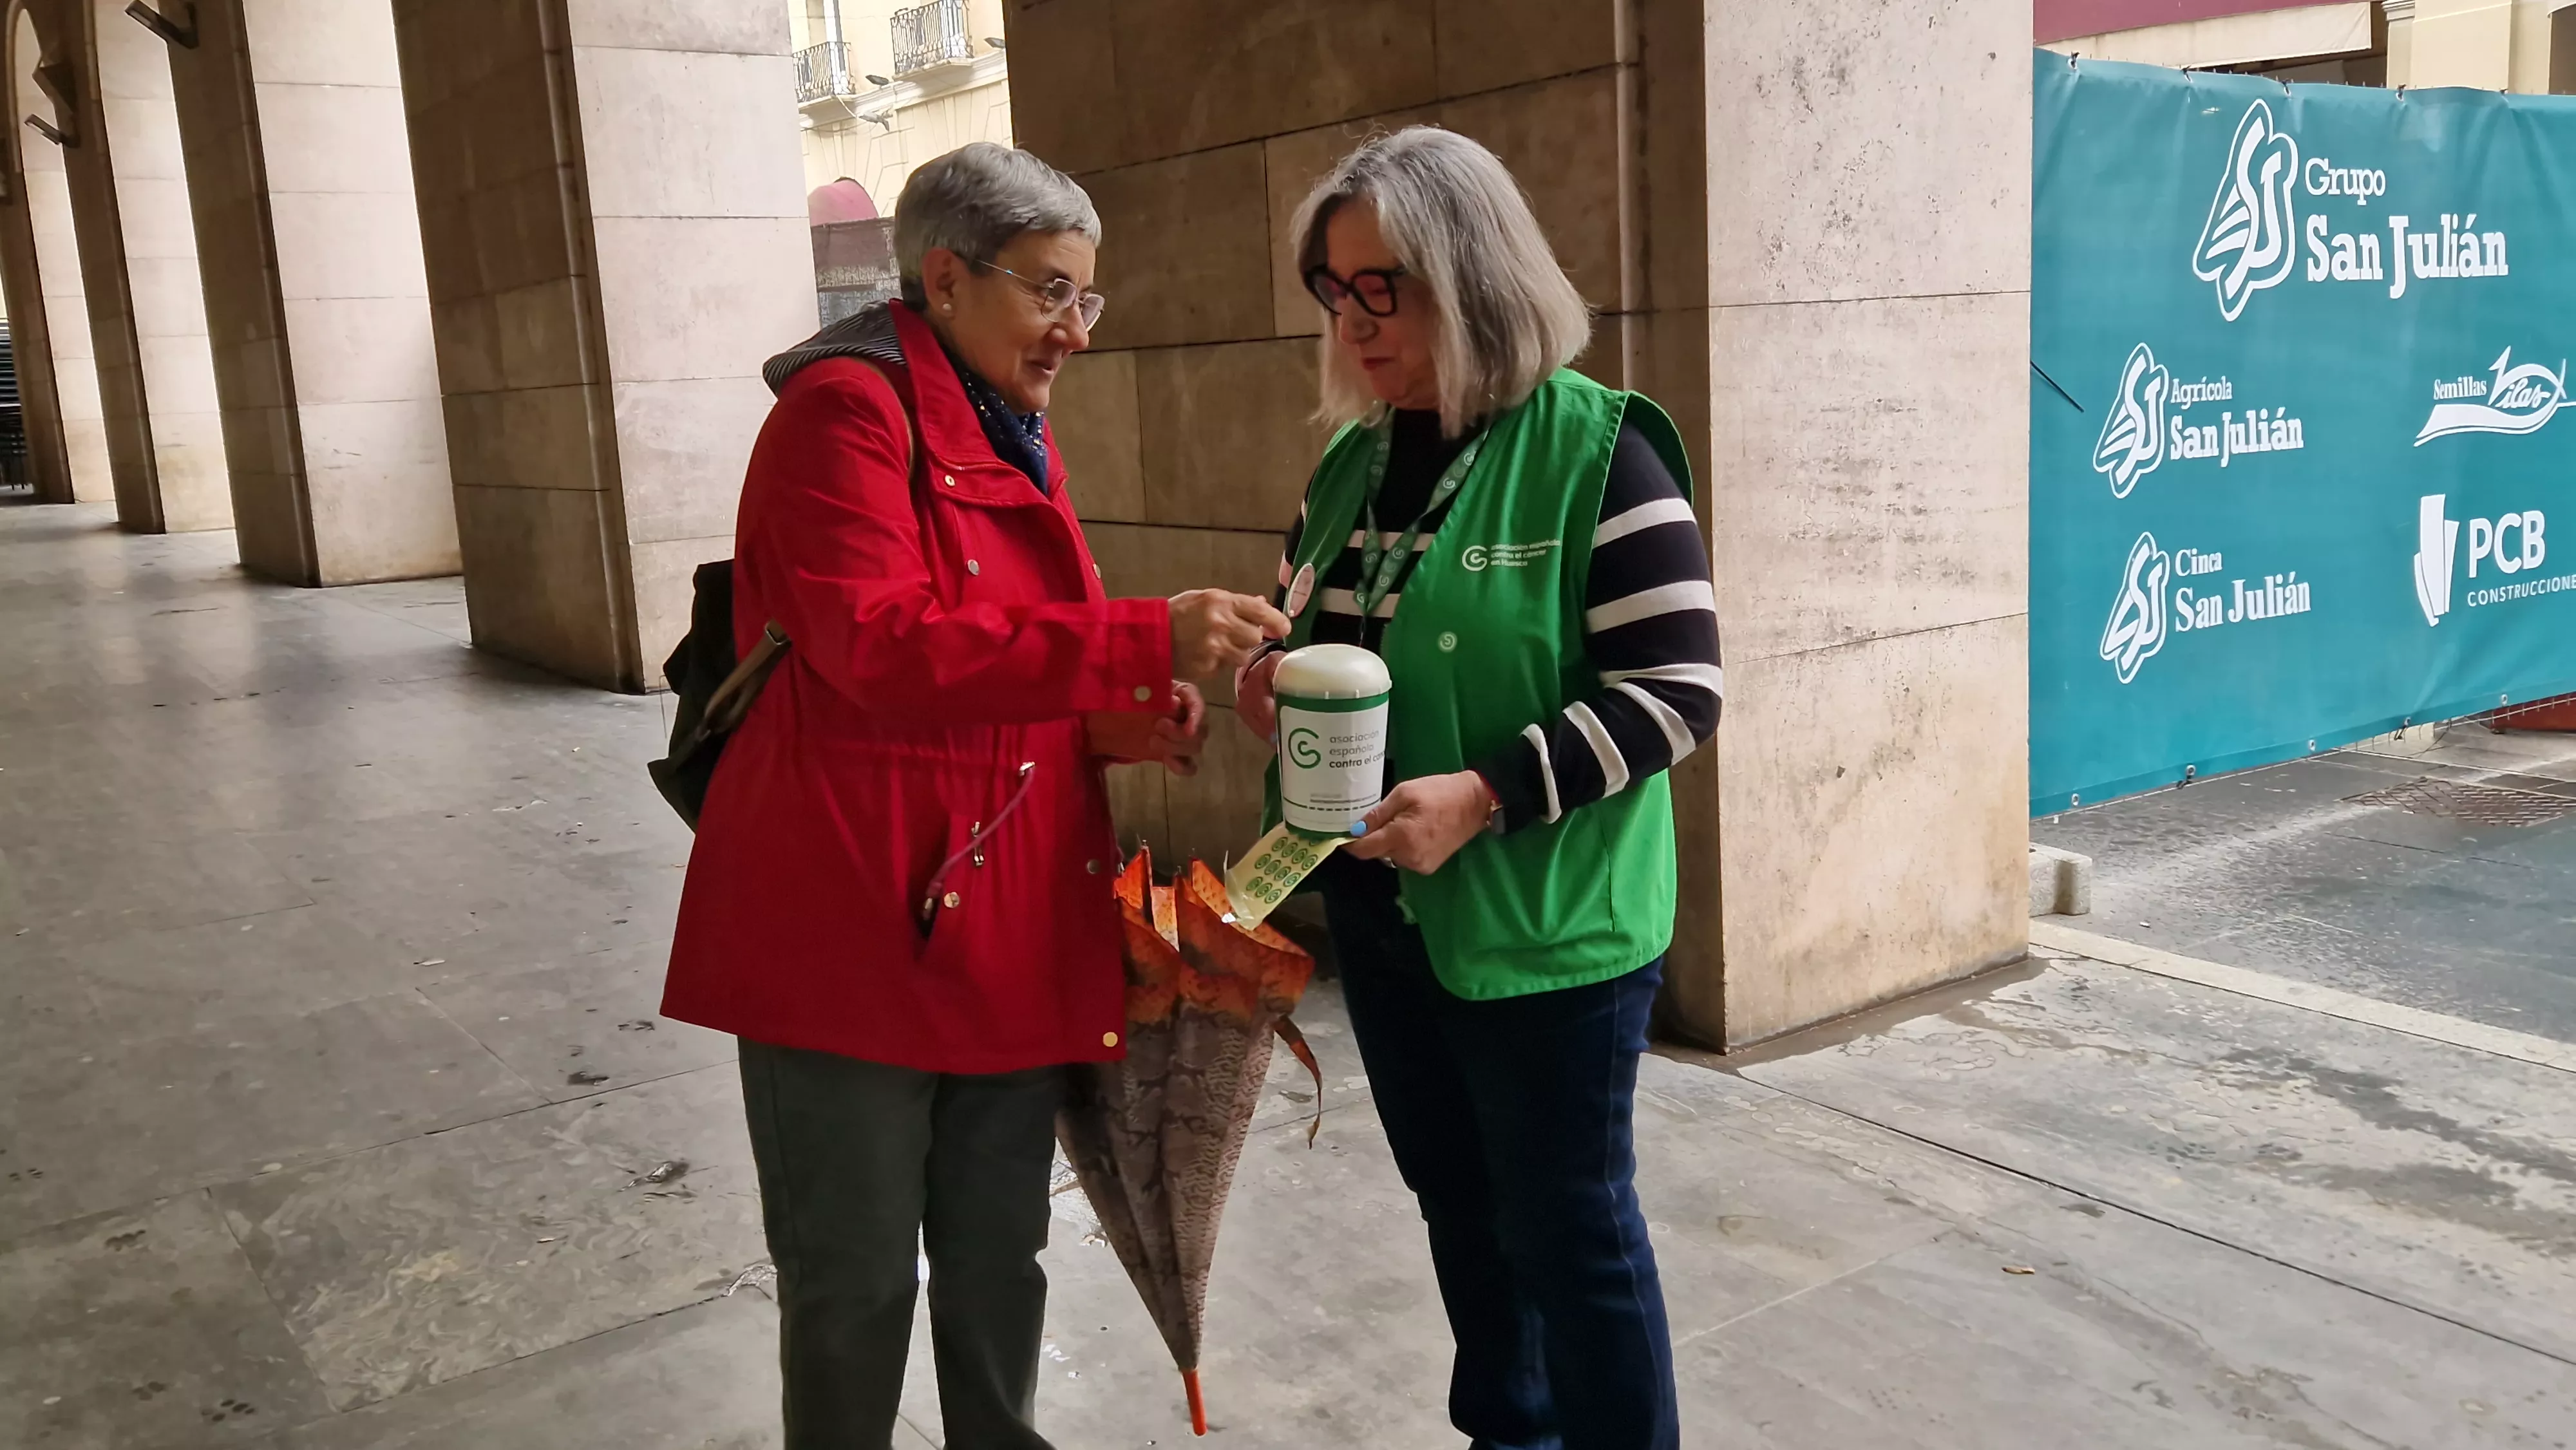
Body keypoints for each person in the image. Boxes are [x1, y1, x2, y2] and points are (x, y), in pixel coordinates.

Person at [662, 143, 1287, 1450]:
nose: (1075, 331)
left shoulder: (1005, 423)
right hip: (849, 920)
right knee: (852, 1278)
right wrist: (1136, 638)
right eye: (1050, 292)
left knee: (1001, 1252)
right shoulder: (843, 415)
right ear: (944, 279)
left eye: (1085, 297)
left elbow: (992, 658)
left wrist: (1111, 722)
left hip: (1001, 911)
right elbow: (880, 646)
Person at [1236, 127, 1721, 1450]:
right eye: (1333, 289)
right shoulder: (1348, 465)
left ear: (1474, 275)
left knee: (1569, 1228)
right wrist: (1263, 680)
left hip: (1549, 927)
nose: (1352, 322)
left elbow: (1679, 691)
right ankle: (1508, 1434)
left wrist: (1488, 792)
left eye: (1381, 287)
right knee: (1457, 1203)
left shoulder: (1597, 453)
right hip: (1387, 915)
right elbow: (1314, 638)